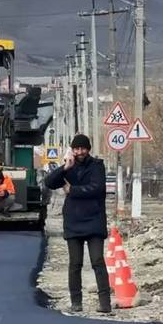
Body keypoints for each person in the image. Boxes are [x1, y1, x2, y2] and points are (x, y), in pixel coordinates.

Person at [44, 134, 112, 314]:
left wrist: (72, 190)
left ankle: (105, 302)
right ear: (72, 150)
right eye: (76, 149)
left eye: (83, 148)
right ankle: (76, 302)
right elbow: (49, 183)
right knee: (75, 263)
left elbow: (97, 188)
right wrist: (65, 167)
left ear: (88, 149)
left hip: (94, 220)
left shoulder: (97, 166)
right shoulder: (70, 167)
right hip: (73, 221)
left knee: (98, 260)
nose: (80, 152)